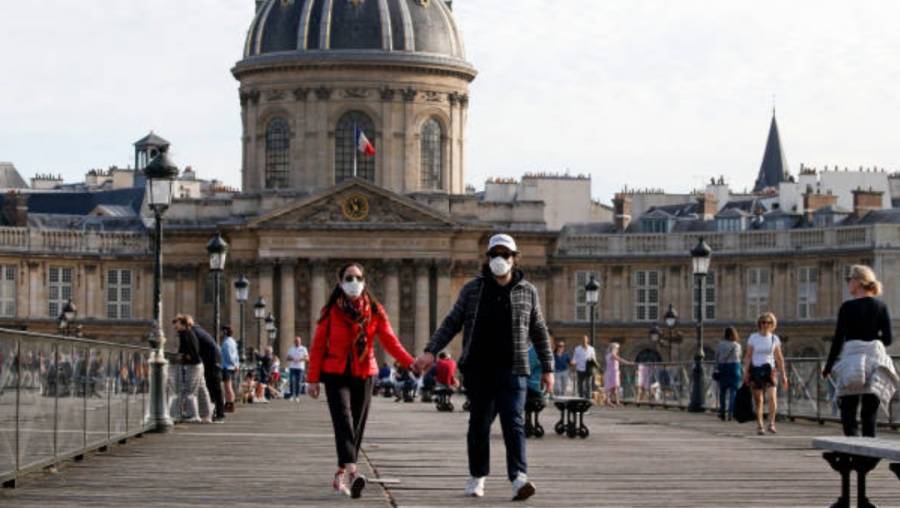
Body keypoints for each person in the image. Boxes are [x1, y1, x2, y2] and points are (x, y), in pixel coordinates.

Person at [414, 233, 553, 501]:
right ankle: (477, 476)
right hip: (480, 369)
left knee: (514, 424)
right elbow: (452, 322)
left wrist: (548, 368)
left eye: (505, 254)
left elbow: (539, 330)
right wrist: (431, 351)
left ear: (515, 259)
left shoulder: (528, 291)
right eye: (494, 254)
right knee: (479, 425)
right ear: (487, 258)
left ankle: (519, 478)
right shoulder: (472, 289)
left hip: (514, 368)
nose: (499, 259)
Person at [307, 262, 414, 499]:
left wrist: (410, 362)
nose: (353, 282)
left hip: (364, 371)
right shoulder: (330, 311)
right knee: (343, 419)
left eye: (357, 277)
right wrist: (312, 379)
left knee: (356, 425)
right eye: (348, 278)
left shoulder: (375, 310)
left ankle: (340, 473)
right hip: (335, 372)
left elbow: (389, 340)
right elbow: (316, 348)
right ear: (340, 281)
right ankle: (354, 472)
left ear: (364, 281)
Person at [823, 265, 896, 437]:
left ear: (858, 282)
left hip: (851, 362)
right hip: (874, 361)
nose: (848, 283)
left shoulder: (847, 307)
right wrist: (872, 337)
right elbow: (888, 339)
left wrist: (828, 367)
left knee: (848, 409)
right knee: (869, 413)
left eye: (849, 280)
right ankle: (868, 455)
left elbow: (838, 340)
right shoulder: (881, 306)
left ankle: (852, 447)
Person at [743, 312, 788, 435]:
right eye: (763, 322)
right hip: (756, 370)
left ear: (772, 324)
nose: (765, 324)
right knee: (759, 400)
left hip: (770, 371)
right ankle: (760, 425)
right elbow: (748, 356)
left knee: (772, 398)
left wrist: (783, 374)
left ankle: (772, 423)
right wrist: (746, 372)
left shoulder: (774, 338)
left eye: (768, 322)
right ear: (759, 324)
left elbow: (779, 358)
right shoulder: (753, 337)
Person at [171, 315, 212, 423]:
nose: (175, 326)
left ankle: (193, 415)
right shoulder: (190, 332)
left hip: (193, 365)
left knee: (190, 391)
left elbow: (190, 352)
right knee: (202, 390)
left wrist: (182, 357)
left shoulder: (184, 334)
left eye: (177, 324)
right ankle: (206, 415)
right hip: (199, 364)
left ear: (182, 324)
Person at [192, 318, 225, 423]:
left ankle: (219, 414)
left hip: (211, 363)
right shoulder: (200, 331)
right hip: (215, 362)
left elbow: (195, 349)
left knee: (215, 389)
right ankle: (215, 413)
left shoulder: (194, 332)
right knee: (214, 389)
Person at [714, 327, 743, 421]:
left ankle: (722, 412)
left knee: (722, 392)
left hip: (723, 368)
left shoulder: (720, 345)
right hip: (735, 368)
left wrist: (717, 367)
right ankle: (731, 412)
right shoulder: (737, 345)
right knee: (733, 392)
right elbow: (739, 357)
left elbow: (716, 357)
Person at [221, 326, 239, 413]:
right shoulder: (233, 342)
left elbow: (229, 356)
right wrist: (237, 364)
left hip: (226, 367)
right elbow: (236, 355)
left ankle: (230, 404)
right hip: (232, 367)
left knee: (228, 387)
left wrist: (234, 364)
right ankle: (229, 403)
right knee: (229, 386)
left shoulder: (226, 343)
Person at [287, 336, 309, 400]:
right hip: (292, 367)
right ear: (294, 342)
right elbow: (287, 358)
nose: (297, 342)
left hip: (300, 368)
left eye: (299, 341)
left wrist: (300, 359)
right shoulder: (291, 349)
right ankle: (291, 395)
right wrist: (293, 358)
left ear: (300, 342)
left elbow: (307, 358)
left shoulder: (304, 348)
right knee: (291, 381)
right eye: (296, 341)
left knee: (298, 382)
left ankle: (297, 396)